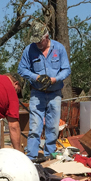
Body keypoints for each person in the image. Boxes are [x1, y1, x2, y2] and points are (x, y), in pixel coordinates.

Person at [17, 22, 70, 162]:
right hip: (37, 93)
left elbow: (66, 69)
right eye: (35, 41)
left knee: (53, 127)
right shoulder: (29, 50)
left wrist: (54, 79)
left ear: (46, 36)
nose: (38, 44)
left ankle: (49, 156)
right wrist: (36, 77)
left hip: (55, 93)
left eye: (40, 41)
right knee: (35, 126)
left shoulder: (59, 48)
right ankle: (31, 157)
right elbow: (21, 69)